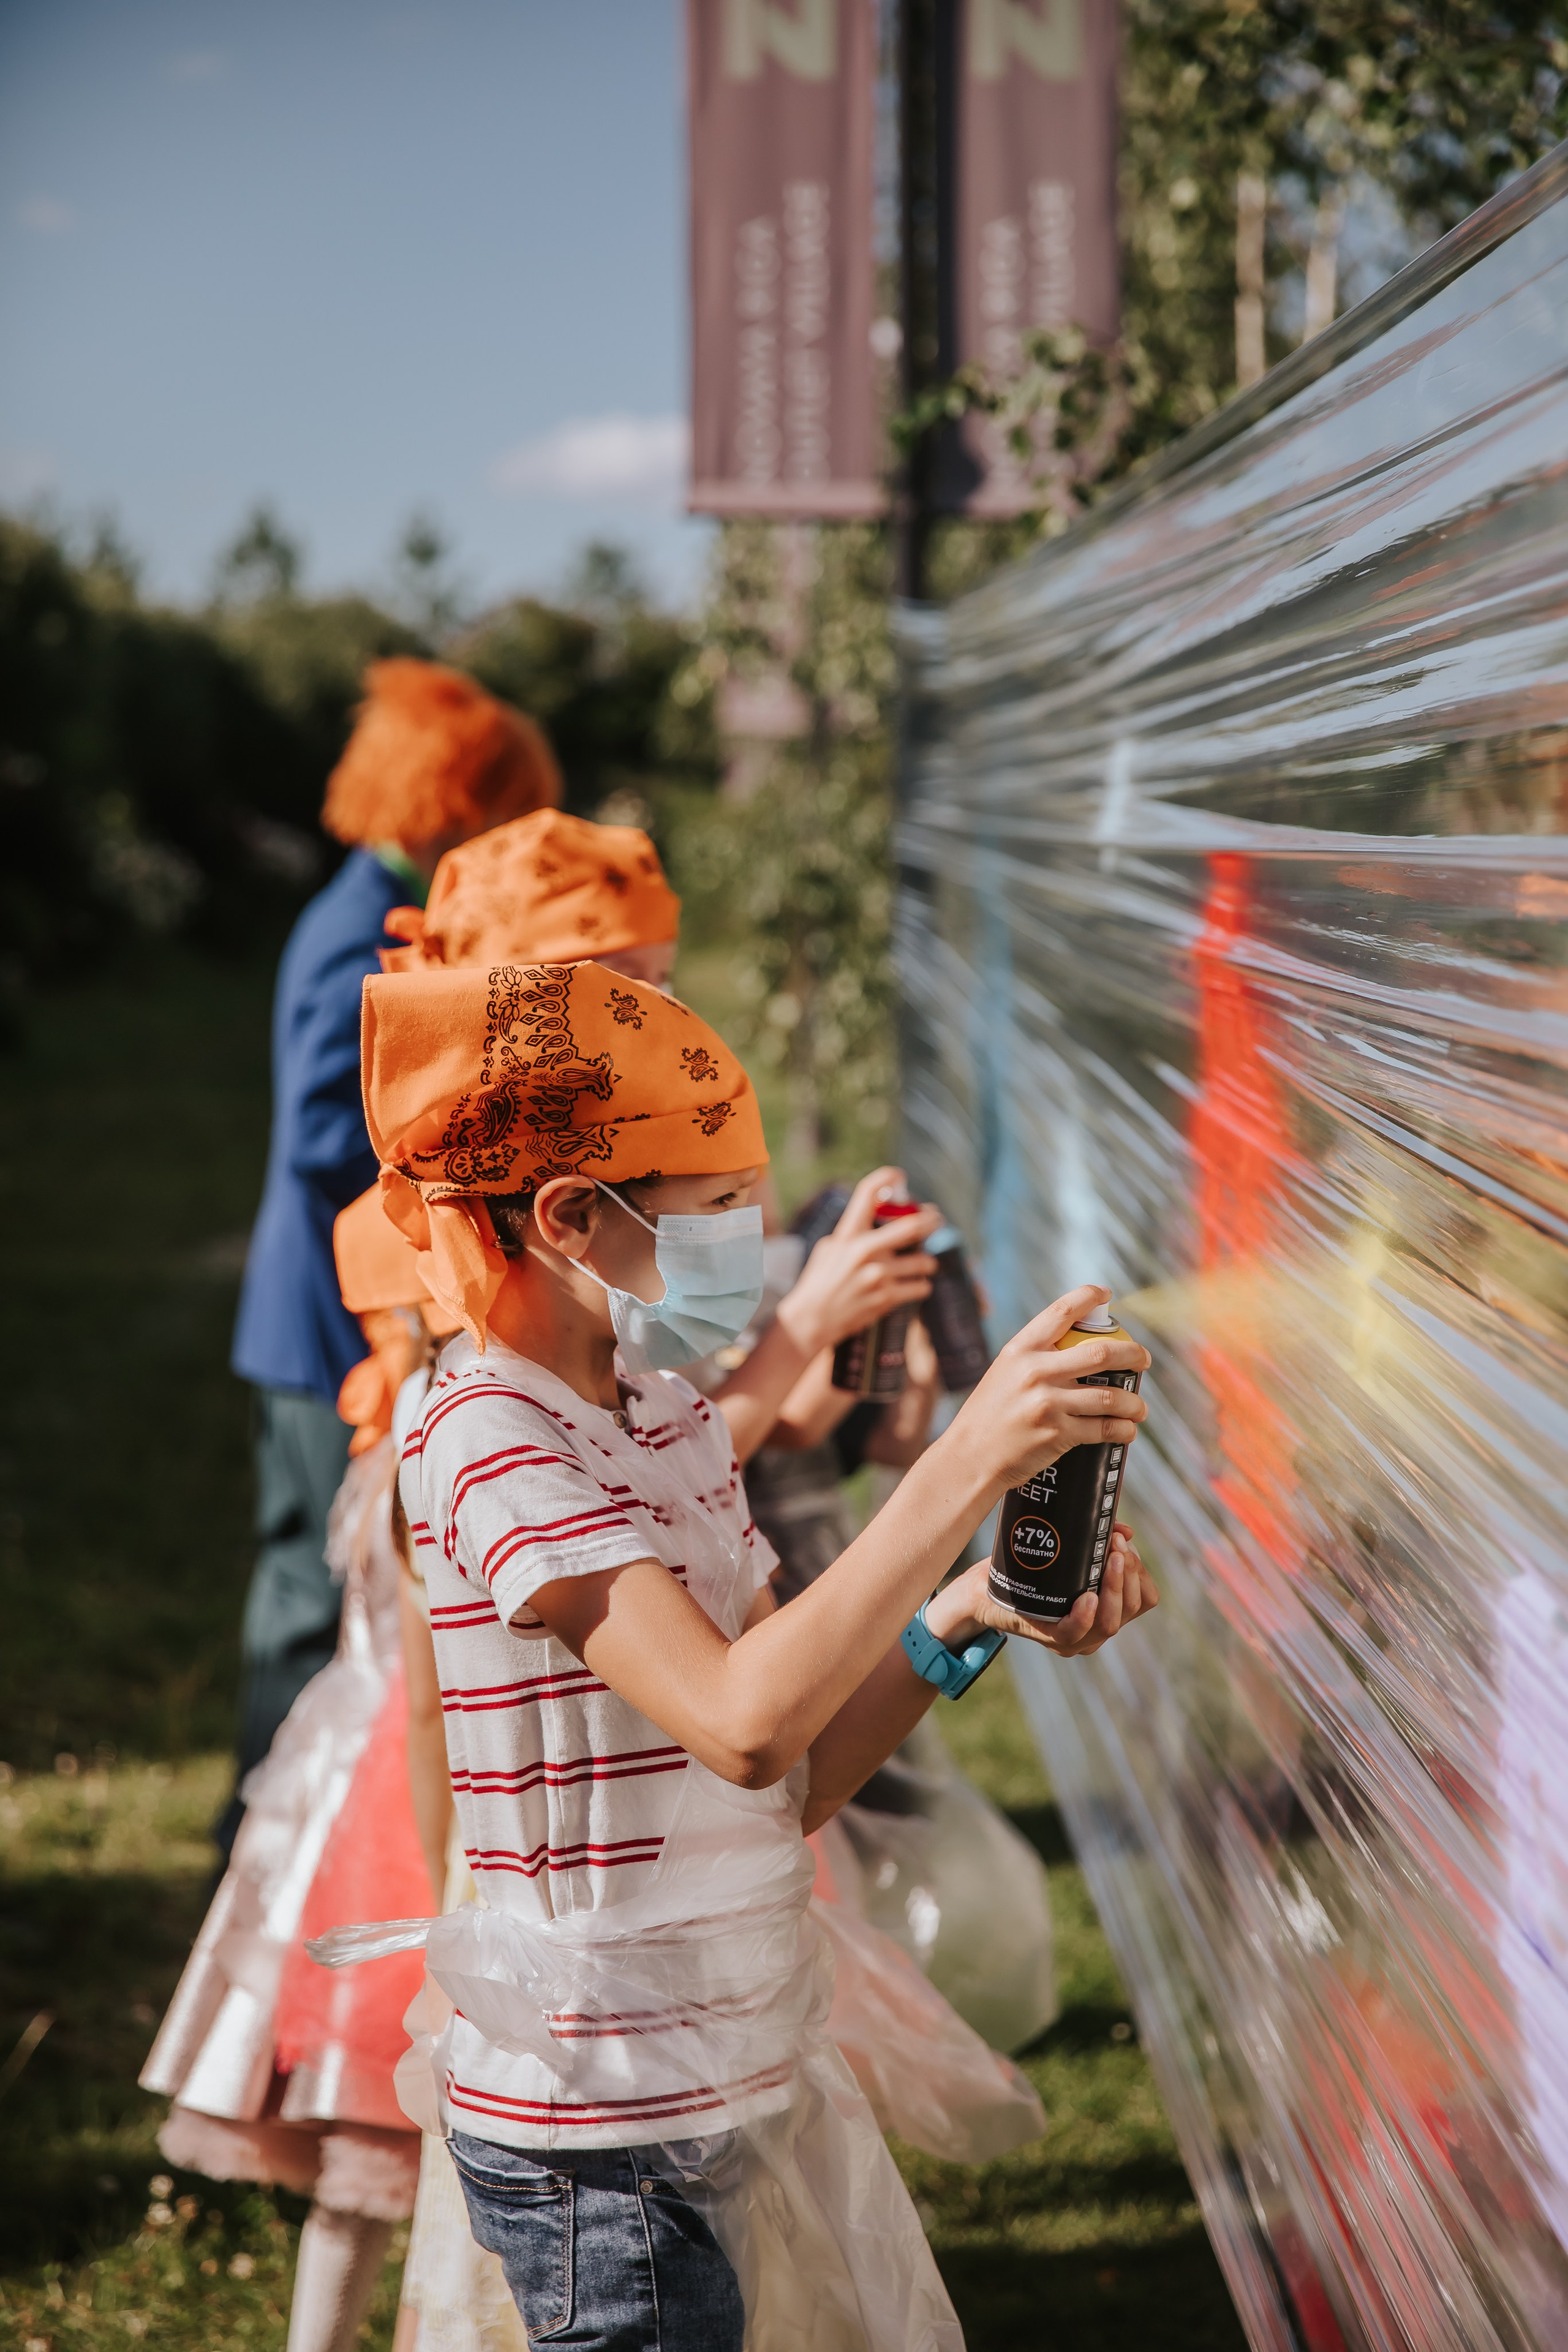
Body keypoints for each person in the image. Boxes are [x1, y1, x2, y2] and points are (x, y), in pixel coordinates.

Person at [325, 958, 1156, 2351]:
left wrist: (969, 1613)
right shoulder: (481, 1437)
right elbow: (739, 1721)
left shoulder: (671, 1415)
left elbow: (794, 1772)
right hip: (599, 2135)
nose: (752, 1244)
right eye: (717, 1208)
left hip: (734, 2074)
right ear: (570, 1217)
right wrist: (958, 1464)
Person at [222, 658, 560, 1853]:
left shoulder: (361, 905)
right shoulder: (365, 930)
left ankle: (277, 1836)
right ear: (453, 801)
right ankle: (259, 1842)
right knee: (312, 1592)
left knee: (315, 1584)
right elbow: (323, 1130)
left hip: (322, 1306)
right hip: (328, 1315)